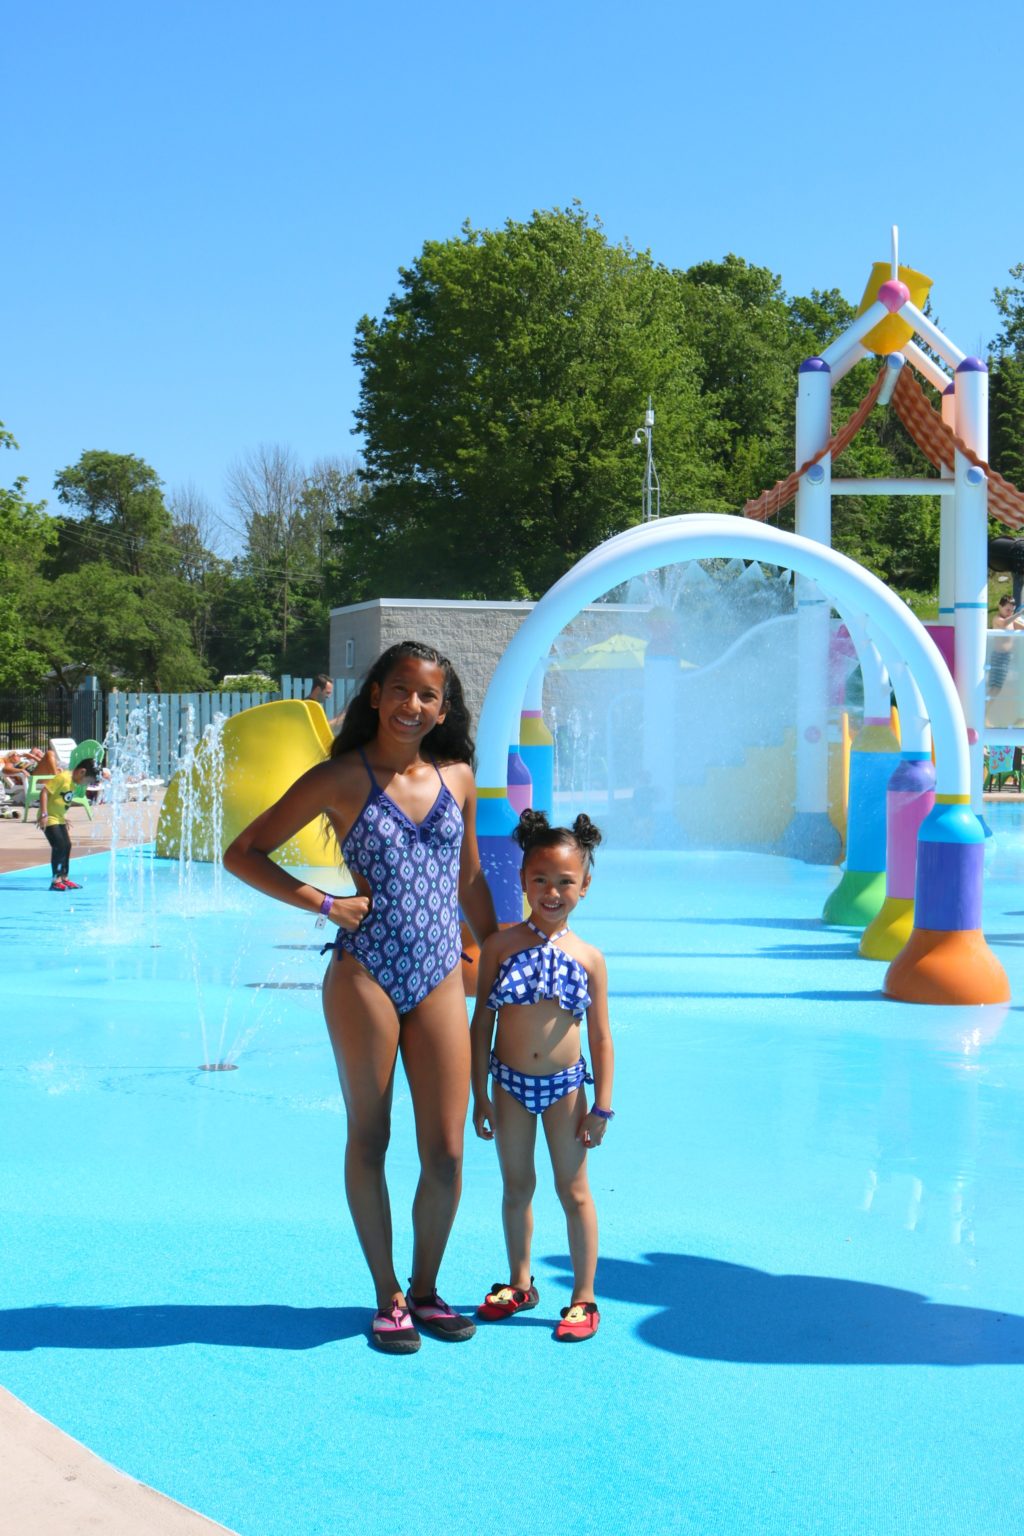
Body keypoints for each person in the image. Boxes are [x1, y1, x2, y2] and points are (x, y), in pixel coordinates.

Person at [225, 640, 498, 1354]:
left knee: (445, 1152)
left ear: (444, 708)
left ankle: (428, 1287)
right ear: (375, 694)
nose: (413, 705)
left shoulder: (459, 777)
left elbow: (468, 878)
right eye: (401, 689)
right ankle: (388, 1296)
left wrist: (499, 947)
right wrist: (323, 901)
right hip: (365, 976)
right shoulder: (341, 777)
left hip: (438, 974)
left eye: (428, 695)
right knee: (370, 1138)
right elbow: (243, 851)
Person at [470, 809, 614, 1342]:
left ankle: (584, 1297)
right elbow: (482, 1019)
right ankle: (520, 1282)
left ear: (585, 886)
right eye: (540, 880)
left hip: (566, 1088)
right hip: (508, 1084)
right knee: (516, 1185)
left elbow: (600, 1037)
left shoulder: (590, 958)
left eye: (565, 882)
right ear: (523, 880)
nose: (551, 892)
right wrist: (478, 1093)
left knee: (573, 1189)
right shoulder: (501, 947)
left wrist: (602, 1107)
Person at [37, 758, 101, 890]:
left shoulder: (73, 782)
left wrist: (63, 816)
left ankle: (64, 878)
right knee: (59, 845)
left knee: (67, 845)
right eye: (87, 781)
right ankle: (56, 881)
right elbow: (44, 792)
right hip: (49, 818)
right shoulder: (63, 777)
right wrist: (44, 814)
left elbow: (61, 800)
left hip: (59, 818)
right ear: (82, 772)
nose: (85, 784)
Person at [988, 594, 1024, 698]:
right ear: (1000, 607)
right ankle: (984, 709)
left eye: (1012, 610)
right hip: (999, 656)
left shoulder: (1012, 621)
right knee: (995, 686)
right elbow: (1004, 623)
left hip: (1007, 657)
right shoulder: (997, 619)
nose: (1010, 613)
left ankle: (985, 708)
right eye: (1007, 610)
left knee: (998, 687)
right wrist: (1018, 614)